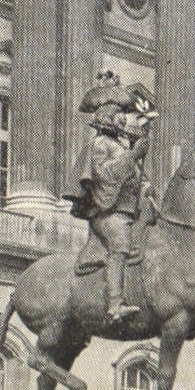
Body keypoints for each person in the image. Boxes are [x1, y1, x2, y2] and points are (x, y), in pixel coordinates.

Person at [64, 74, 157, 323]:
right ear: (107, 117)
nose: (124, 119)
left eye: (123, 116)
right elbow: (104, 175)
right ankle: (115, 304)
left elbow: (135, 179)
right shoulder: (100, 145)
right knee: (120, 246)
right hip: (108, 213)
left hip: (128, 211)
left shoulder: (122, 147)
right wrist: (132, 156)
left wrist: (146, 187)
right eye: (119, 115)